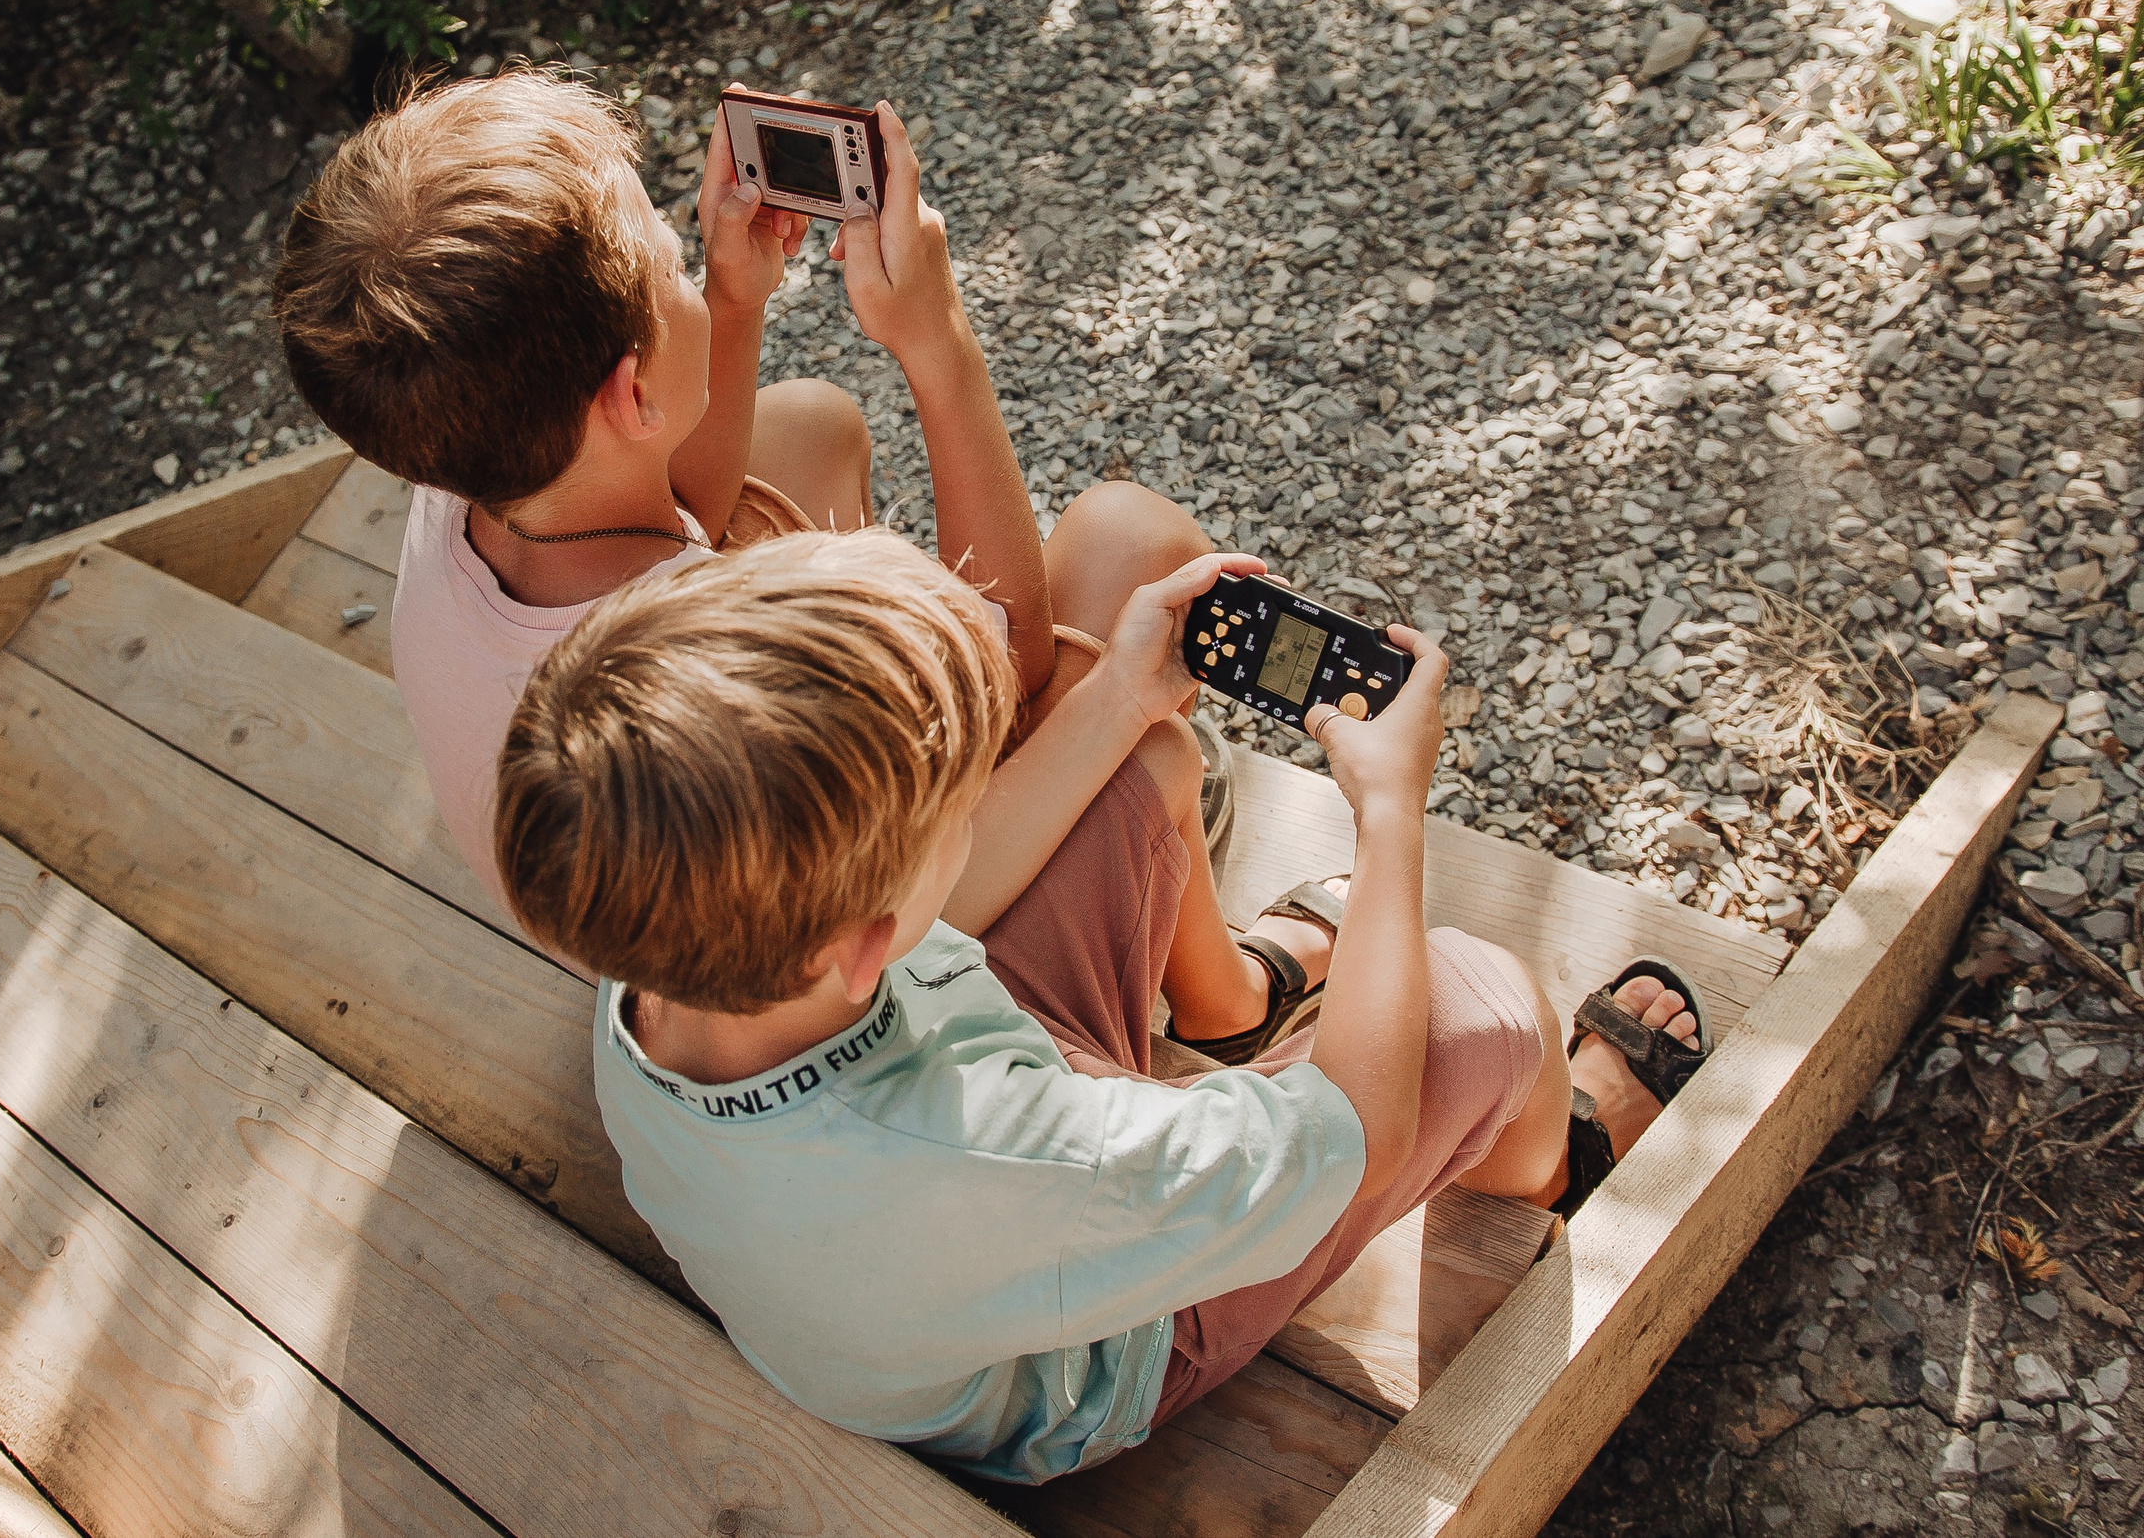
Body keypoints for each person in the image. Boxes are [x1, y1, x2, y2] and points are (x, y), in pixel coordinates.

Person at [493, 529, 1708, 1484]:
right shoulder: (1002, 1155)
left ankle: (1234, 1011)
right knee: (1488, 1002)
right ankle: (1555, 1166)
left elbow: (944, 914)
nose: (979, 803)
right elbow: (1360, 1137)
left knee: (1141, 764)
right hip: (1080, 1351)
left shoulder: (658, 948)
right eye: (959, 802)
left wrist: (1127, 692)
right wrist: (1390, 818)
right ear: (864, 941)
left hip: (931, 1198)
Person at [270, 67, 1300, 1058]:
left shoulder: (456, 467)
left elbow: (672, 512)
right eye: (670, 258)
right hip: (847, 984)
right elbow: (1011, 664)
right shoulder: (704, 669)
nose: (684, 257)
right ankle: (1226, 1003)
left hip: (661, 924)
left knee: (807, 427)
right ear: (631, 394)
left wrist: (729, 297)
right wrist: (936, 342)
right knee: (1132, 548)